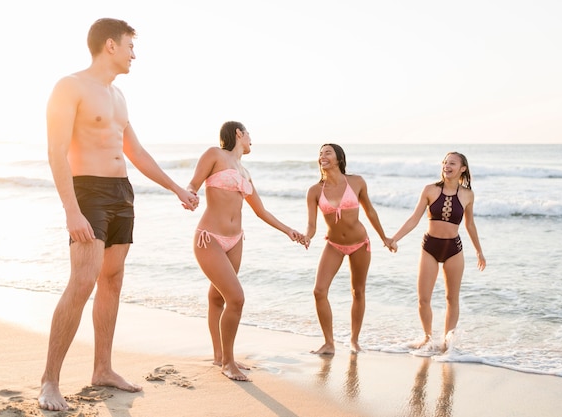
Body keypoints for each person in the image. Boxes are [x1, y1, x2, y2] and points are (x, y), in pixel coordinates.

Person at [39, 18, 199, 411]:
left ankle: (103, 369)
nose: (134, 53)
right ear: (110, 45)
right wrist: (71, 210)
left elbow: (136, 153)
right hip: (88, 192)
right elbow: (56, 151)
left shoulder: (119, 96)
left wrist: (177, 188)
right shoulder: (70, 86)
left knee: (111, 281)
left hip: (121, 192)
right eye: (130, 45)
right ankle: (49, 381)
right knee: (82, 282)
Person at [186, 121, 305, 381]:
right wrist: (190, 196)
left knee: (219, 298)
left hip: (236, 240)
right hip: (210, 238)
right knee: (236, 299)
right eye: (249, 133)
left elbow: (260, 211)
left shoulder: (245, 171)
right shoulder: (214, 155)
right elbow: (193, 184)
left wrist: (288, 230)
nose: (251, 139)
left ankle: (220, 356)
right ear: (239, 133)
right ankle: (228, 363)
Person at [302, 143, 394, 355]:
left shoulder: (356, 182)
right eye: (320, 153)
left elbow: (370, 211)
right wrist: (307, 236)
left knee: (358, 291)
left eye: (327, 152)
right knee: (319, 291)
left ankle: (354, 340)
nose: (322, 156)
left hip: (360, 244)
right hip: (333, 245)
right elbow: (312, 224)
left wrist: (384, 238)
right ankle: (329, 343)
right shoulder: (315, 191)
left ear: (338, 158)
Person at [389, 151, 486, 353]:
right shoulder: (430, 190)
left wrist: (479, 251)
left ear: (463, 169)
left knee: (452, 299)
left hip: (454, 249)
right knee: (423, 298)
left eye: (452, 163)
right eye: (444, 162)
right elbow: (414, 219)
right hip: (430, 247)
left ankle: (447, 344)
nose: (446, 166)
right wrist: (395, 238)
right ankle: (427, 338)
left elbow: (470, 225)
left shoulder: (468, 195)